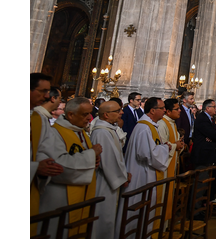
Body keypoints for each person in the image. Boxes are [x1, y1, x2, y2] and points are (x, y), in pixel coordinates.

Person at [37, 97, 102, 238]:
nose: (89, 118)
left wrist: (94, 161)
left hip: (82, 193)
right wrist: (92, 155)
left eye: (90, 113)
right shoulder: (54, 133)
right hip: (61, 196)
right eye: (85, 114)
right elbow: (59, 166)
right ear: (71, 114)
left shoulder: (81, 132)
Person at [119, 97, 175, 235]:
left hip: (148, 173)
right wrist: (165, 148)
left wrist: (163, 147)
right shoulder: (144, 128)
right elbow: (146, 154)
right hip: (141, 174)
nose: (164, 111)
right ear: (152, 110)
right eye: (162, 109)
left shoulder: (151, 126)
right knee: (138, 212)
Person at [89, 100, 130, 239]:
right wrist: (122, 177)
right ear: (106, 115)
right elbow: (107, 160)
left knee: (108, 215)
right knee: (103, 215)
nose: (121, 113)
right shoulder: (101, 132)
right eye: (118, 111)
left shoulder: (108, 130)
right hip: (104, 181)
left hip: (110, 180)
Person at [30, 73, 64, 234]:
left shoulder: (39, 118)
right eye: (42, 91)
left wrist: (44, 164)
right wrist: (35, 167)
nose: (46, 96)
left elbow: (42, 148)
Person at [159, 98, 185, 218]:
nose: (180, 111)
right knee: (163, 195)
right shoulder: (162, 124)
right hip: (164, 167)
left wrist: (180, 146)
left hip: (172, 163)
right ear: (168, 111)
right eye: (177, 109)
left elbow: (176, 143)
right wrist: (176, 145)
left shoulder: (172, 123)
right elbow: (161, 146)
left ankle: (166, 223)